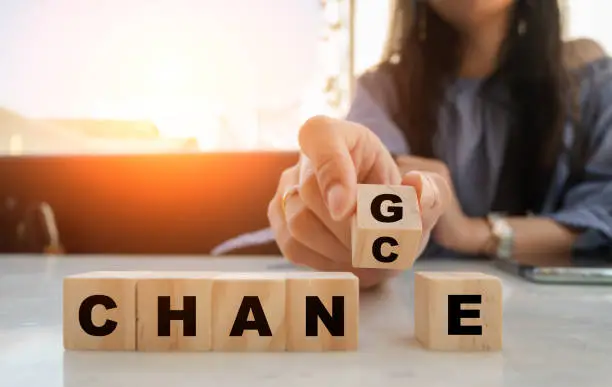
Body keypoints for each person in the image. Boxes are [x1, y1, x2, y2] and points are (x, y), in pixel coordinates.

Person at [214, 0, 612, 289]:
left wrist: (474, 233)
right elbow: (376, 191)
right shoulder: (384, 89)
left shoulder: (590, 81)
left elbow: (604, 212)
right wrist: (351, 216)